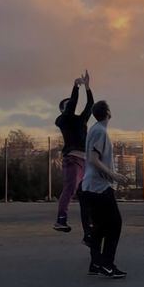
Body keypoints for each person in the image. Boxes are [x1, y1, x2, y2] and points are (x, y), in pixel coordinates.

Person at [81, 100, 128, 278]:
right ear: (108, 112)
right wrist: (113, 175)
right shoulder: (100, 131)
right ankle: (107, 264)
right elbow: (93, 159)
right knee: (115, 224)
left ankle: (95, 263)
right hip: (98, 187)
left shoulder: (94, 129)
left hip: (90, 186)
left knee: (100, 226)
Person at [54, 71, 94, 236]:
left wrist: (88, 87)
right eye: (68, 104)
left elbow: (90, 106)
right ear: (63, 109)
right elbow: (72, 105)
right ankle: (60, 219)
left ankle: (88, 232)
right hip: (73, 159)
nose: (71, 104)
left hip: (85, 161)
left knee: (86, 195)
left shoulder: (80, 120)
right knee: (70, 188)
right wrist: (76, 86)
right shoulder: (63, 120)